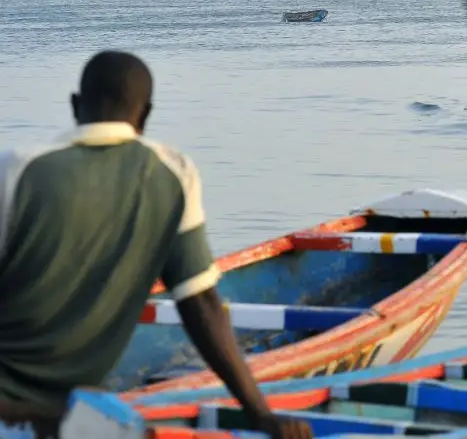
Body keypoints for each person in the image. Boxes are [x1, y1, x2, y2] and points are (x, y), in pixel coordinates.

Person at [0, 51, 311, 439]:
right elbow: (201, 305)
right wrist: (260, 414)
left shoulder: (18, 170)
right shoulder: (173, 173)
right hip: (70, 412)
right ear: (145, 115)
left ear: (75, 105)